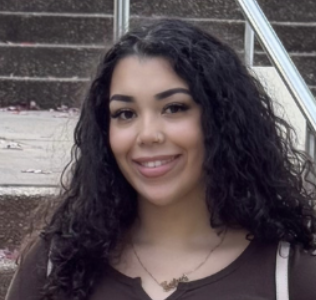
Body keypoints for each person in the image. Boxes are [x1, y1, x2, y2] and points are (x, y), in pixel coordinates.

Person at [5, 18, 316, 300]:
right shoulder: (55, 266)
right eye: (125, 114)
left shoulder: (289, 276)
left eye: (174, 108)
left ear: (221, 120)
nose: (148, 134)